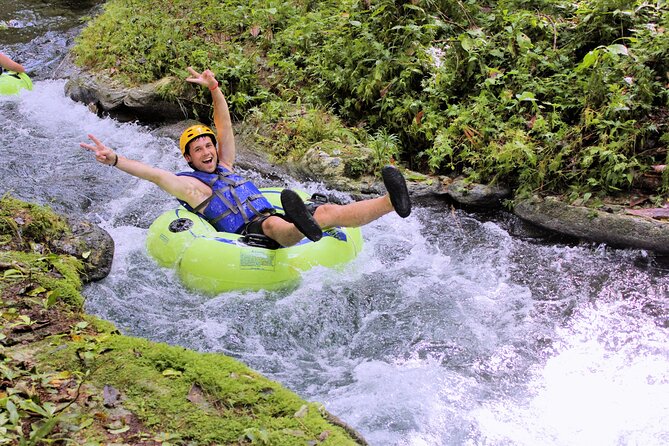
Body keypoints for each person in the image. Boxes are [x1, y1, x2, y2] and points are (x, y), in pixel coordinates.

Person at [81, 67, 411, 247]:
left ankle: (391, 202)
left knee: (326, 209)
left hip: (273, 210)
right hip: (251, 233)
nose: (208, 151)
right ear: (189, 159)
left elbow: (224, 127)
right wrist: (114, 159)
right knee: (272, 224)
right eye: (199, 150)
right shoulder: (192, 187)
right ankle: (301, 228)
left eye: (208, 146)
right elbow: (153, 173)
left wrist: (214, 89)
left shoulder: (225, 165)